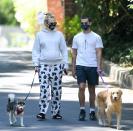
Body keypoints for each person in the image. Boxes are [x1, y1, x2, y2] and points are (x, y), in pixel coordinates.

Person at [32, 12, 68, 120]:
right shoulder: (40, 35)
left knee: (56, 90)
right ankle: (42, 112)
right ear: (46, 23)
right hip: (43, 66)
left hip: (57, 66)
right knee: (44, 90)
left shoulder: (59, 35)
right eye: (51, 23)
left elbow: (64, 50)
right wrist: (36, 64)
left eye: (54, 23)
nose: (53, 25)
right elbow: (36, 51)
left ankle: (55, 112)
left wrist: (65, 65)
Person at [71, 16, 103, 121]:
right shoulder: (76, 37)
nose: (84, 24)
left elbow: (99, 52)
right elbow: (74, 54)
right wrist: (73, 67)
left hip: (93, 66)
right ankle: (82, 110)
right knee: (81, 87)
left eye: (86, 22)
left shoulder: (96, 37)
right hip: (80, 65)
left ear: (90, 23)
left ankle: (92, 111)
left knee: (92, 89)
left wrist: (99, 67)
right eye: (82, 23)